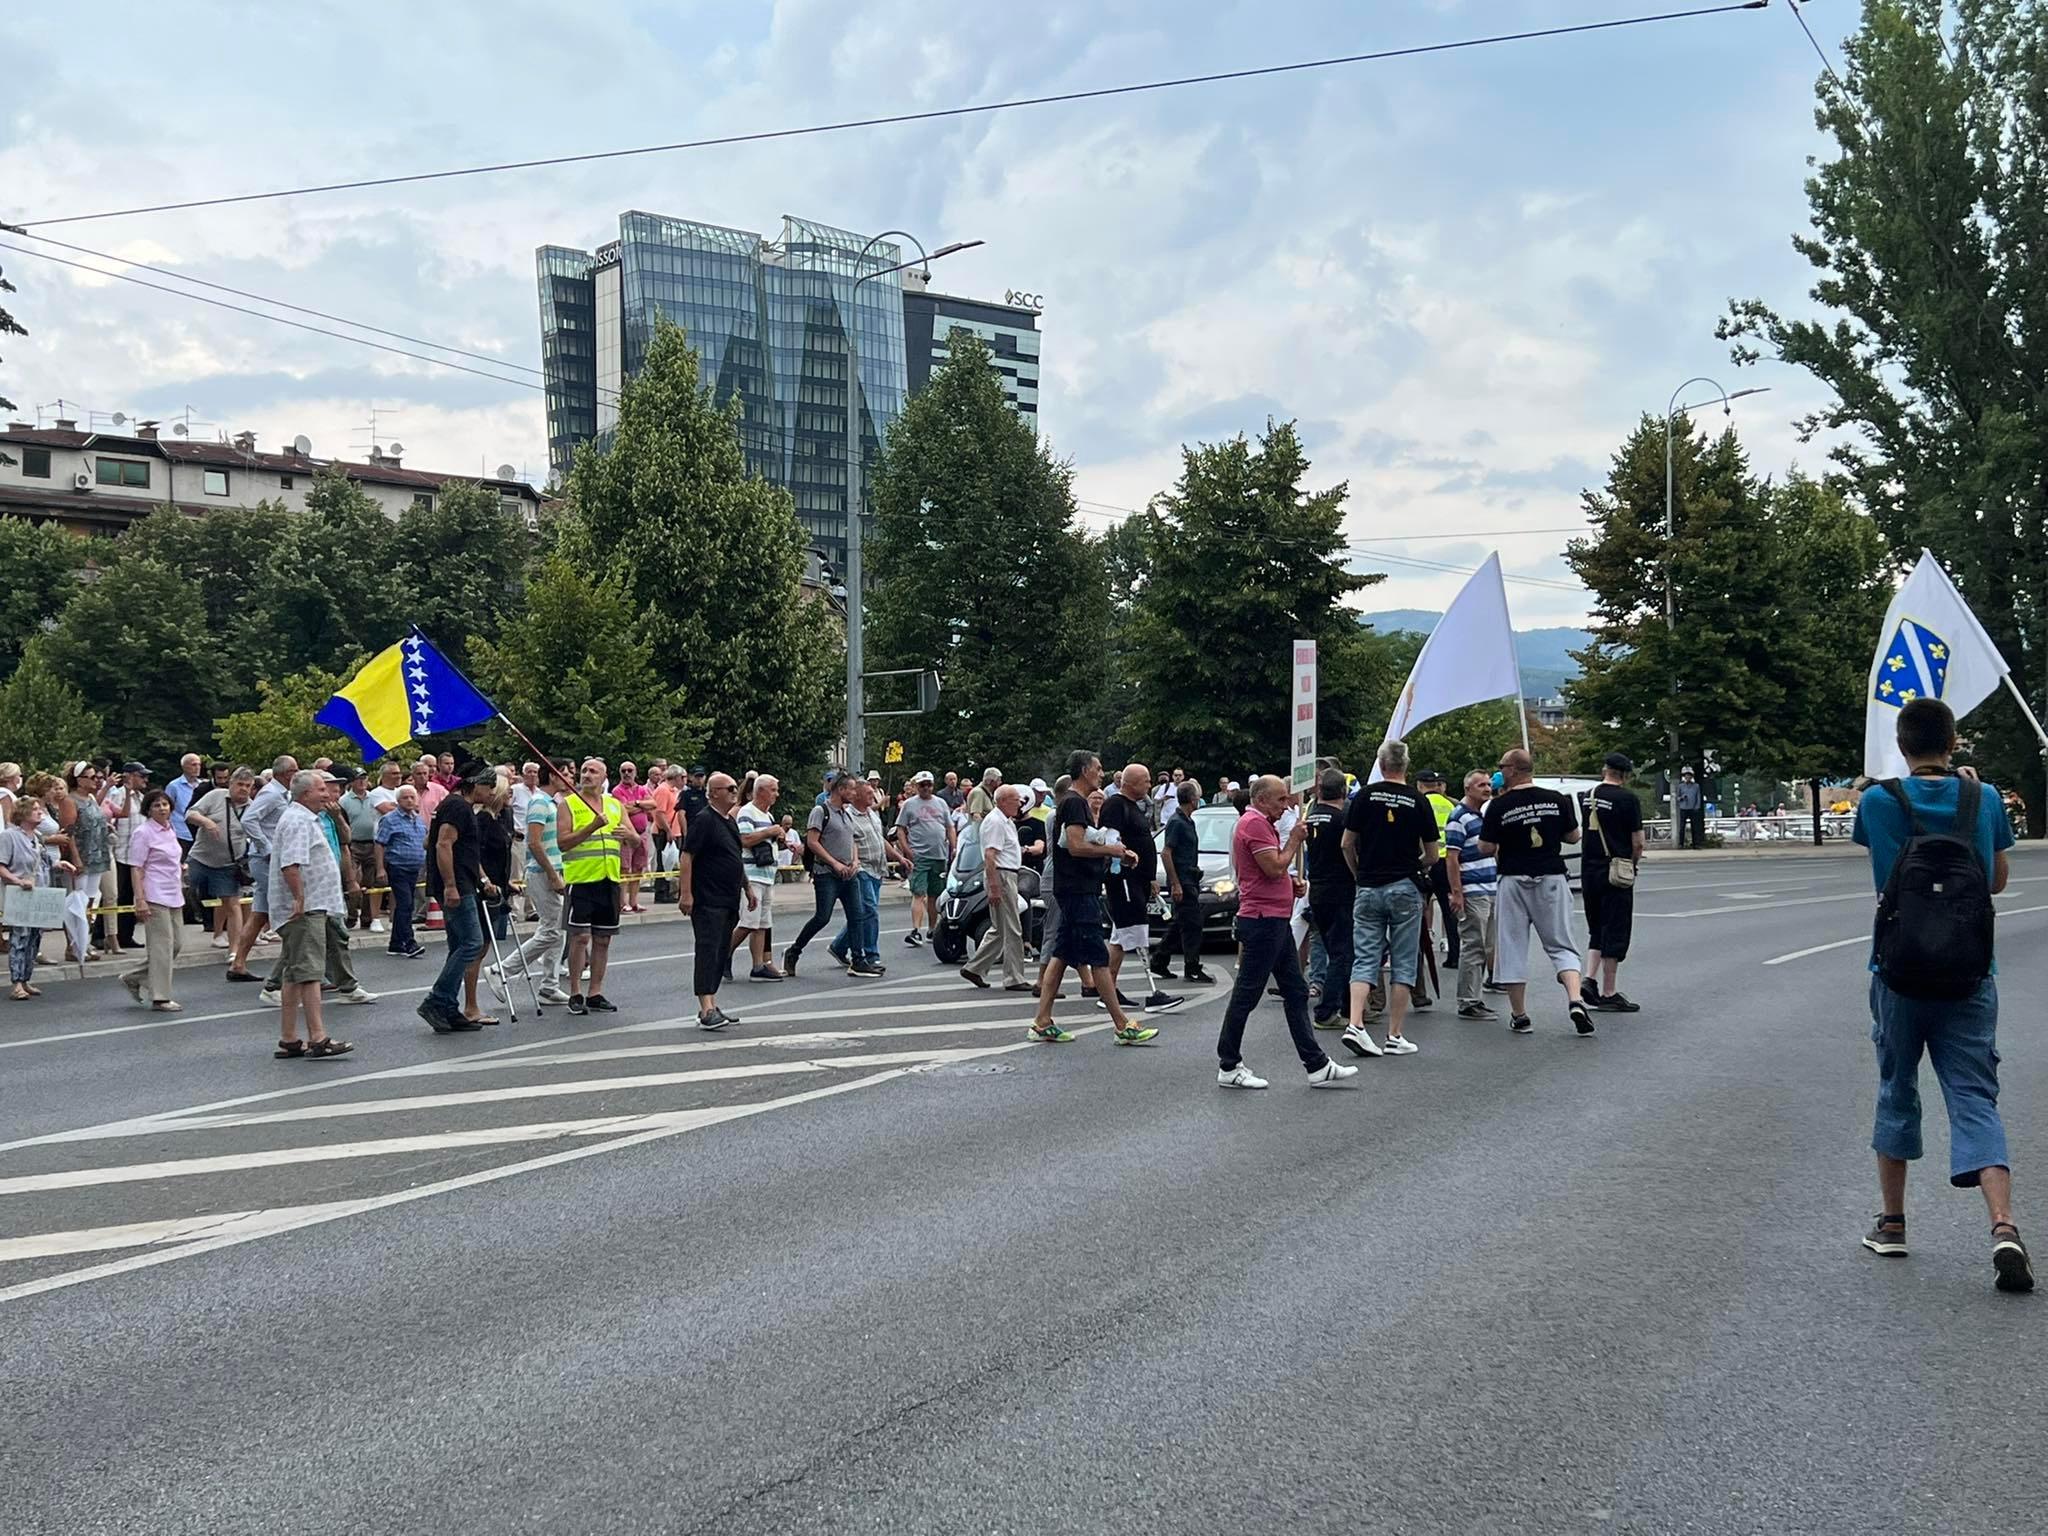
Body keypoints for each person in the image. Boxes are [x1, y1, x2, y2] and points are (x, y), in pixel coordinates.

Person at [1853, 696, 2030, 1293]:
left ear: (1902, 746)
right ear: (1953, 743)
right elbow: (1998, 880)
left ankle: (1894, 1223)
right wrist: (1970, 797)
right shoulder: (1984, 798)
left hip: (1898, 969)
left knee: (1896, 1086)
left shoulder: (1878, 801)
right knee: (1975, 1095)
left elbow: (1880, 868)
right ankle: (2003, 1224)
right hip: (1971, 971)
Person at [1215, 775, 1356, 1089]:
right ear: (1262, 798)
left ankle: (1316, 1064)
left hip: (1273, 917)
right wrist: (1293, 841)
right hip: (1263, 920)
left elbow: (1272, 872)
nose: (1287, 804)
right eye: (1281, 799)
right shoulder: (1254, 824)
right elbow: (1274, 866)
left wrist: (1289, 884)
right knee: (1246, 994)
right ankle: (1229, 1063)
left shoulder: (1261, 822)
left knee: (1296, 991)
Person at [1028, 751, 1153, 1045]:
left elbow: (1082, 841)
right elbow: (1075, 846)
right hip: (1077, 889)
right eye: (1098, 768)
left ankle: (1042, 1020)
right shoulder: (1074, 803)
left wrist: (1115, 851)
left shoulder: (1074, 803)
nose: (1102, 773)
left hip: (1077, 888)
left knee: (1062, 954)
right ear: (1084, 771)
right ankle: (1123, 1025)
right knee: (1098, 957)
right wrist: (1113, 851)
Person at [1479, 747, 1593, 1038]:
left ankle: (1520, 1016)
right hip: (1552, 876)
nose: (1499, 771)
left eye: (1502, 766)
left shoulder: (1499, 806)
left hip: (1514, 878)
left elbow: (1486, 847)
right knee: (1562, 944)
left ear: (1514, 770)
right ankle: (1575, 999)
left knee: (1512, 946)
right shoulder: (1556, 800)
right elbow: (1573, 836)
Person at [1340, 740, 1437, 1059]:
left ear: (1380, 765)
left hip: (1368, 886)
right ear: (1405, 766)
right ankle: (1395, 1034)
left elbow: (1346, 843)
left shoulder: (1364, 796)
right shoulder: (1418, 800)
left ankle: (1356, 1024)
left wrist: (1359, 874)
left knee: (1365, 957)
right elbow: (1433, 853)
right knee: (1404, 960)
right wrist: (1414, 864)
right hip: (1404, 886)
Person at [267, 770, 354, 1059]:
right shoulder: (298, 821)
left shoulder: (305, 818)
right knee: (309, 973)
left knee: (294, 973)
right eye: (321, 790)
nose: (327, 794)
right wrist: (300, 898)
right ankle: (318, 1036)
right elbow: (291, 864)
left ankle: (289, 1037)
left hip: (311, 905)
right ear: (305, 794)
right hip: (305, 908)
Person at [421, 768, 500, 1033]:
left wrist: (483, 879)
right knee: (472, 943)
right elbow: (443, 844)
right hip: (457, 885)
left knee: (458, 946)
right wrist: (451, 885)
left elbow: (464, 850)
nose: (491, 793)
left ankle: (448, 1008)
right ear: (474, 784)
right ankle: (438, 999)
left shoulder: (461, 808)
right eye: (489, 787)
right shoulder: (457, 807)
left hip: (466, 881)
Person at [1099, 762, 1181, 1013]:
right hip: (1123, 878)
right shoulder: (1115, 805)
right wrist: (1125, 858)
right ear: (1131, 782)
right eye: (1145, 780)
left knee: (1122, 935)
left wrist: (1149, 879)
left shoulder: (1132, 807)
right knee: (1132, 931)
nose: (1149, 784)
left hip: (1136, 879)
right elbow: (1110, 839)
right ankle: (1151, 992)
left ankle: (1108, 989)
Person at [490, 760, 571, 1004]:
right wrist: (552, 874)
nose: (569, 779)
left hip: (554, 870)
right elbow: (534, 843)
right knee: (552, 930)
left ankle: (549, 984)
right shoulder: (539, 803)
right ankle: (502, 970)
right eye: (565, 774)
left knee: (558, 930)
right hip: (542, 873)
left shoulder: (552, 803)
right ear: (553, 776)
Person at [558, 757, 631, 1016]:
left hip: (608, 879)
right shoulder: (569, 805)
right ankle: (576, 992)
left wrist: (629, 836)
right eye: (585, 770)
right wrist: (591, 827)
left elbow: (633, 840)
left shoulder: (615, 805)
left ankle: (595, 992)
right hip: (581, 880)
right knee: (580, 938)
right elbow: (563, 843)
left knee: (603, 939)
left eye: (593, 771)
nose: (587, 775)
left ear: (604, 777)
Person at [678, 769, 746, 1029]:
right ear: (714, 793)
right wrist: (686, 893)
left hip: (729, 897)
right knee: (707, 949)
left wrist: (747, 889)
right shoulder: (704, 819)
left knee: (720, 951)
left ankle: (713, 1003)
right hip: (707, 898)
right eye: (729, 788)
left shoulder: (729, 820)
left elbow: (734, 857)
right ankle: (705, 1009)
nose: (734, 792)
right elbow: (687, 856)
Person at [785, 769, 867, 978]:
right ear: (840, 789)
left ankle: (859, 959)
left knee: (857, 916)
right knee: (822, 917)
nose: (854, 794)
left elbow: (852, 841)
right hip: (827, 873)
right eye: (851, 789)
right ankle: (794, 951)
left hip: (849, 874)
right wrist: (834, 863)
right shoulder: (821, 811)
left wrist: (854, 861)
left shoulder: (846, 814)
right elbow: (812, 842)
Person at [1581, 752, 1645, 1013]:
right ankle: (1609, 992)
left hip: (1589, 870)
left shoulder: (1588, 796)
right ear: (1625, 774)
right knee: (1615, 930)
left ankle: (1589, 978)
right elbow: (1638, 842)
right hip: (1615, 871)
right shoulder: (1628, 799)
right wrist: (1633, 864)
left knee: (1597, 927)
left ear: (1604, 769)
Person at [226, 755, 295, 982]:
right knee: (286, 907)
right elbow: (249, 820)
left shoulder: (282, 794)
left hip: (272, 859)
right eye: (295, 770)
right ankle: (293, 968)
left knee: (259, 913)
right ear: (286, 774)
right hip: (267, 861)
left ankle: (238, 963)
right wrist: (266, 847)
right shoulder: (271, 794)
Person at [119, 790, 186, 1011]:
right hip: (154, 893)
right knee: (161, 946)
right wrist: (140, 899)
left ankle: (134, 976)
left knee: (176, 944)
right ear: (148, 809)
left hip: (174, 892)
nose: (162, 808)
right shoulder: (143, 832)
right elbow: (136, 868)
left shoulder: (170, 829)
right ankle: (160, 997)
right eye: (156, 805)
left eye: (165, 804)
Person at [961, 783, 1032, 991]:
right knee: (1012, 928)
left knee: (1000, 929)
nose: (1019, 803)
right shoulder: (996, 822)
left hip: (1004, 874)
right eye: (1015, 800)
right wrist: (993, 886)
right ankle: (1014, 977)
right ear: (1001, 801)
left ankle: (974, 968)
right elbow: (990, 855)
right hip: (1002, 874)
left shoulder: (1005, 820)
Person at [2, 793, 69, 1000]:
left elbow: (44, 862)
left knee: (34, 939)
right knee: (19, 939)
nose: (40, 812)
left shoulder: (37, 838)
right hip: (20, 895)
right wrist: (17, 880)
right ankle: (16, 983)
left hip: (39, 894)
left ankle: (26, 979)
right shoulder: (9, 836)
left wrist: (60, 864)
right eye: (35, 809)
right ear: (22, 813)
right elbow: (1, 865)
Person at [1301, 767, 1354, 1029]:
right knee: (1343, 952)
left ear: (1320, 790)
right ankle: (1326, 1011)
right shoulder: (1342, 819)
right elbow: (1351, 848)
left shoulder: (1310, 818)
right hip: (1340, 887)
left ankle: (1349, 1007)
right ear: (1343, 791)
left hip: (1317, 888)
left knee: (1335, 948)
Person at [1444, 771, 1498, 1019]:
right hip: (1472, 890)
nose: (1487, 788)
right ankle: (1467, 1001)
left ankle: (1475, 997)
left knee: (1485, 946)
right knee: (1473, 945)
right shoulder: (1459, 817)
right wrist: (1457, 892)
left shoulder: (1481, 816)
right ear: (1468, 789)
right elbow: (1452, 858)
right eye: (1481, 785)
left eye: (1488, 784)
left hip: (1488, 888)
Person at [183, 764, 253, 953]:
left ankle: (234, 951)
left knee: (232, 904)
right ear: (231, 783)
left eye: (248, 785)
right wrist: (206, 821)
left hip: (228, 864)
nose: (244, 789)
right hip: (200, 858)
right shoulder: (215, 796)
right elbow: (190, 814)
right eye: (240, 784)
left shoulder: (252, 807)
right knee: (183, 893)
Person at [832, 777, 896, 977]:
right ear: (857, 795)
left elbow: (881, 839)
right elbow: (848, 842)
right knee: (870, 910)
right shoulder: (848, 816)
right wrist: (853, 862)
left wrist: (900, 857)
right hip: (862, 869)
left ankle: (839, 946)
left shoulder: (872, 814)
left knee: (862, 913)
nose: (873, 796)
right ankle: (870, 954)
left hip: (877, 868)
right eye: (869, 793)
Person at [1156, 778, 1214, 984]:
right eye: (1197, 797)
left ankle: (1160, 959)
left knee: (1182, 921)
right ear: (1192, 799)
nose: (1198, 800)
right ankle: (1192, 966)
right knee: (1193, 925)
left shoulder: (1188, 821)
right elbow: (1166, 852)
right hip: (1183, 879)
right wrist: (1176, 883)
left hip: (1191, 877)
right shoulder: (1176, 822)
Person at [733, 774, 789, 980]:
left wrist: (779, 837)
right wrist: (769, 832)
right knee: (749, 921)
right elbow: (744, 839)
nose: (777, 794)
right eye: (773, 790)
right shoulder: (747, 812)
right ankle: (723, 954)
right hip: (752, 875)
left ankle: (758, 965)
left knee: (762, 923)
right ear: (761, 791)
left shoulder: (768, 815)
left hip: (767, 875)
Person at [56, 762, 111, 965]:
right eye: (91, 777)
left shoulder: (90, 799)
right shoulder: (70, 801)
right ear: (79, 779)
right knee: (75, 900)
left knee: (88, 901)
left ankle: (83, 941)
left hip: (96, 855)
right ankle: (72, 944)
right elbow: (68, 831)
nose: (96, 781)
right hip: (81, 856)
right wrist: (75, 856)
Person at [893, 770, 956, 948]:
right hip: (919, 855)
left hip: (939, 854)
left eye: (928, 784)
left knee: (935, 894)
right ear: (917, 786)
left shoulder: (941, 803)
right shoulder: (909, 804)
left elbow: (949, 827)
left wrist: (954, 847)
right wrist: (907, 850)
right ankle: (915, 930)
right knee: (919, 892)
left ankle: (932, 928)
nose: (926, 788)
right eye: (922, 785)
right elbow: (900, 829)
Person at [376, 782, 430, 958]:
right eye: (405, 798)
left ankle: (396, 943)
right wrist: (380, 869)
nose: (409, 800)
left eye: (412, 797)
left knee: (403, 906)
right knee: (406, 904)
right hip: (397, 866)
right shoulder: (390, 819)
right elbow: (380, 843)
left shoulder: (418, 819)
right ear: (398, 801)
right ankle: (409, 942)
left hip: (415, 869)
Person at [1417, 768, 1459, 981]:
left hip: (1426, 860)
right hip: (1447, 861)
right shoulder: (1450, 804)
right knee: (1448, 909)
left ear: (1419, 784)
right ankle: (1454, 954)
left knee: (1420, 909)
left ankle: (1420, 955)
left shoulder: (1418, 802)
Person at [102, 762, 149, 954]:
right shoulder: (117, 795)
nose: (145, 779)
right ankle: (102, 935)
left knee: (130, 895)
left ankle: (126, 935)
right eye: (141, 775)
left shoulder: (142, 798)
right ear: (129, 776)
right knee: (116, 895)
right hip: (120, 850)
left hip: (135, 853)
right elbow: (111, 817)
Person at [337, 766, 385, 934]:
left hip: (371, 843)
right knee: (353, 879)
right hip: (353, 844)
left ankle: (367, 917)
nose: (362, 782)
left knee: (370, 883)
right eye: (358, 779)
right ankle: (351, 913)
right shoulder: (344, 800)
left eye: (364, 778)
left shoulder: (373, 798)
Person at [614, 760, 653, 913]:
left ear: (635, 773)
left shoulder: (641, 789)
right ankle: (622, 903)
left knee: (638, 867)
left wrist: (635, 803)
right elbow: (622, 809)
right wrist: (642, 806)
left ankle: (634, 902)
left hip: (642, 833)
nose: (627, 774)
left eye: (630, 770)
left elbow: (653, 804)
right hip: (627, 835)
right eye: (623, 771)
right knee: (624, 868)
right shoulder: (617, 790)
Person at [1675, 768, 1705, 849]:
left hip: (1693, 808)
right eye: (1686, 776)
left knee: (1695, 827)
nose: (1687, 777)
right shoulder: (1681, 786)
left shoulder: (1696, 786)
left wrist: (1697, 807)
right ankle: (1681, 844)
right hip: (1683, 808)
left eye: (1689, 776)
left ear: (1691, 777)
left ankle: (1696, 844)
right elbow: (1677, 798)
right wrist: (1681, 798)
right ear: (1684, 777)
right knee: (1682, 827)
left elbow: (1698, 797)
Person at [412, 756, 448, 820]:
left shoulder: (439, 790)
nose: (422, 776)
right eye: (419, 774)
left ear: (428, 774)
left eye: (425, 773)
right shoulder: (406, 791)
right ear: (413, 775)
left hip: (433, 828)